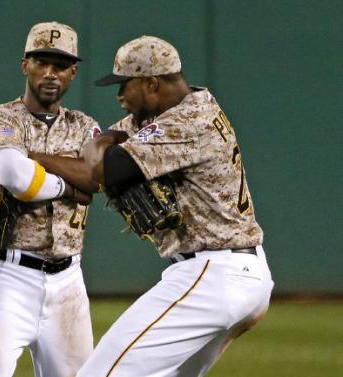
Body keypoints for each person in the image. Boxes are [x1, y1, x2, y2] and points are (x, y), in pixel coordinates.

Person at [77, 35, 274, 376]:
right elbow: (102, 148)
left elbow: (102, 169)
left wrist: (101, 144)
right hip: (238, 274)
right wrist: (103, 143)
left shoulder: (187, 122)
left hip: (212, 276)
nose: (119, 95)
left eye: (125, 85)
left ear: (152, 82)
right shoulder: (184, 109)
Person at [0, 21, 101, 377]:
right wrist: (70, 185)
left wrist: (36, 157)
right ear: (25, 65)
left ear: (73, 72)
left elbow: (97, 178)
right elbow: (15, 176)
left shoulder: (84, 126)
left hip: (69, 281)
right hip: (5, 277)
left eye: (61, 65)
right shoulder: (0, 120)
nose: (51, 73)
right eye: (42, 62)